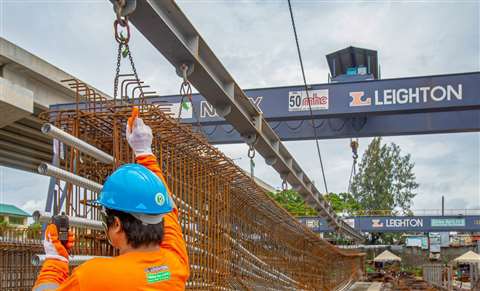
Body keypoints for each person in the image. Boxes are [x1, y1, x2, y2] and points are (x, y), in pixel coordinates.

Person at [33, 108, 189, 290]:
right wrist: (144, 153)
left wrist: (55, 260)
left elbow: (168, 213)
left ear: (116, 224)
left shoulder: (94, 277)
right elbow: (167, 213)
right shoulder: (174, 266)